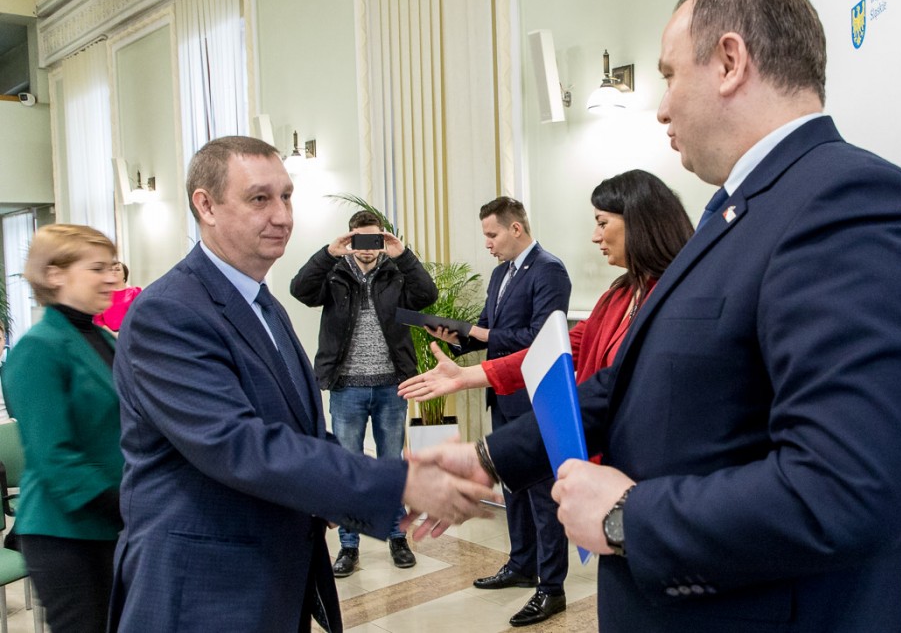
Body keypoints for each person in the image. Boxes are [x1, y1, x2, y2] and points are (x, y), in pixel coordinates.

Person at [414, 0, 901, 632]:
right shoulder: (737, 209)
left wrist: (627, 519)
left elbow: (847, 488)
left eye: (670, 76)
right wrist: (489, 458)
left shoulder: (850, 203)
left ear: (730, 61)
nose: (662, 107)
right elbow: (632, 384)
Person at [109, 136, 497, 633]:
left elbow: (300, 430)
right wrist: (399, 483)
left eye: (287, 196)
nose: (282, 216)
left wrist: (397, 471)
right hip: (206, 588)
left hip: (275, 576)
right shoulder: (168, 312)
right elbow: (238, 445)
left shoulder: (262, 304)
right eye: (259, 198)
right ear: (205, 206)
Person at [399, 169, 692, 407]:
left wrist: (478, 338)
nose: (595, 236)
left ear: (640, 223)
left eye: (602, 223)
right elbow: (554, 348)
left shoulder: (680, 299)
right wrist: (465, 372)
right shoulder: (616, 296)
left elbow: (539, 337)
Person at [432, 196, 571, 627]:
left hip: (534, 397)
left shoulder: (549, 269)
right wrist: (456, 338)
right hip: (503, 396)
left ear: (516, 228)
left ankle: (552, 587)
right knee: (513, 485)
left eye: (492, 234)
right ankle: (521, 564)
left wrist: (481, 332)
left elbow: (539, 337)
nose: (487, 244)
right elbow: (487, 330)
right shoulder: (500, 274)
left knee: (543, 496)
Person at [290, 209, 438, 575]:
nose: (368, 249)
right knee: (348, 468)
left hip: (391, 385)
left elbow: (427, 294)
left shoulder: (395, 272)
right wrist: (329, 254)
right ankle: (349, 544)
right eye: (360, 241)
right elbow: (300, 289)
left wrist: (403, 255)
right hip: (347, 388)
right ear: (350, 239)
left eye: (374, 240)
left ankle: (397, 537)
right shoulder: (335, 273)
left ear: (383, 239)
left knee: (390, 465)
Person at [0, 224, 124, 633]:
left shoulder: (102, 338)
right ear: (55, 274)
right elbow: (53, 456)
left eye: (112, 266)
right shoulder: (38, 347)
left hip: (111, 523)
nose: (111, 277)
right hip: (65, 532)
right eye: (97, 268)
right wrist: (124, 504)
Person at [93, 261, 142, 334]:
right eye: (111, 270)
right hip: (108, 334)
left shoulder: (135, 292)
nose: (114, 272)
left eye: (117, 269)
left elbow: (140, 316)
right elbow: (97, 320)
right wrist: (112, 334)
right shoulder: (102, 294)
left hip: (129, 334)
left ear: (124, 274)